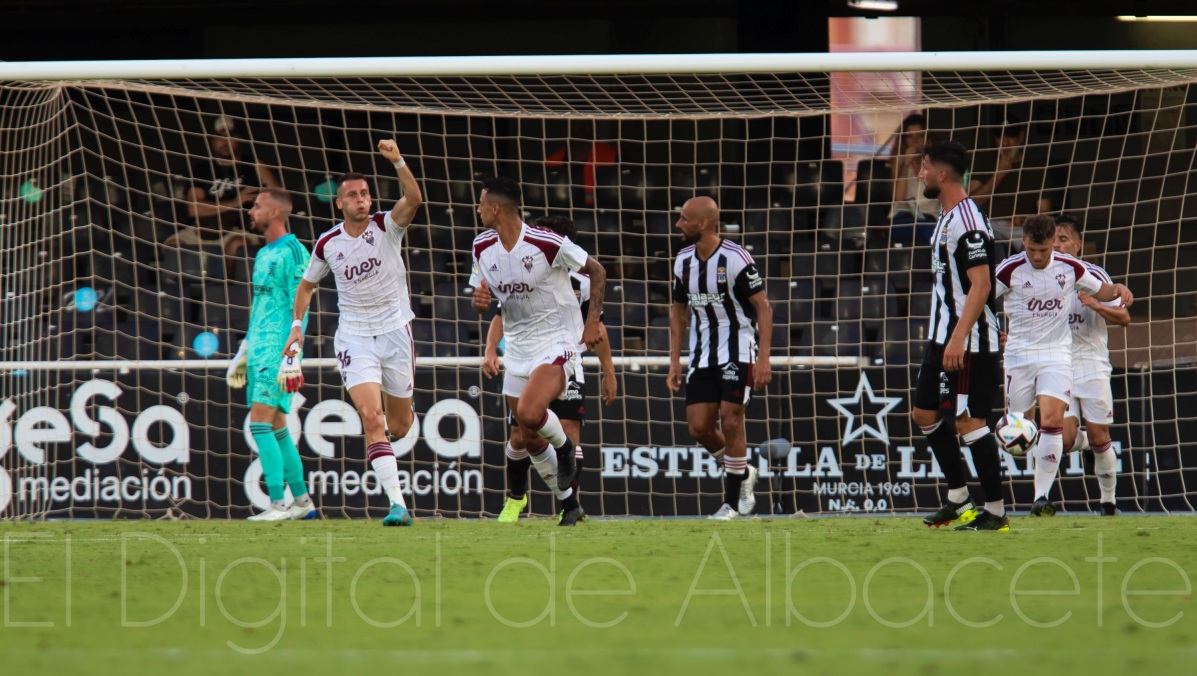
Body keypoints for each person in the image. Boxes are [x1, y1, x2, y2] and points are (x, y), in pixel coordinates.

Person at [280, 139, 423, 527]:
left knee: (400, 424)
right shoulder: (328, 243)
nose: (360, 200)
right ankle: (398, 505)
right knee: (371, 418)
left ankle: (399, 425)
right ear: (340, 203)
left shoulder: (387, 227)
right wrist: (296, 328)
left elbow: (414, 198)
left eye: (364, 194)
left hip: (395, 331)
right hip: (355, 337)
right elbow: (306, 286)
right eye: (352, 195)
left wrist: (398, 160)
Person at [469, 177, 607, 527]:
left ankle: (564, 452)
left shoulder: (546, 242)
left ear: (496, 208)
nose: (478, 209)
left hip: (556, 340)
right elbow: (484, 299)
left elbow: (597, 271)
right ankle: (570, 505)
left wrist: (591, 324)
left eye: (482, 203)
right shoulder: (481, 247)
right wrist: (480, 301)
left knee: (531, 414)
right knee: (527, 438)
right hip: (517, 346)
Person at [994, 214, 1132, 517]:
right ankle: (1060, 460)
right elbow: (978, 299)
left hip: (1065, 356)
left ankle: (1043, 499)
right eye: (1034, 249)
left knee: (1056, 424)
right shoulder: (1009, 270)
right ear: (1024, 244)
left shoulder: (1074, 269)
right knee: (1028, 431)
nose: (1041, 255)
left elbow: (1107, 295)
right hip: (1020, 356)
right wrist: (995, 333)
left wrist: (1116, 289)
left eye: (1048, 248)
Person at [910, 140, 1007, 531]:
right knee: (924, 413)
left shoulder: (968, 223)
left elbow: (981, 285)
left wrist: (958, 338)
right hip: (942, 337)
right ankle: (958, 497)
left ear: (942, 174)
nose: (920, 174)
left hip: (968, 342)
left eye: (924, 168)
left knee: (969, 422)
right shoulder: (947, 216)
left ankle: (997, 512)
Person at [666, 196, 773, 521]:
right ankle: (742, 472)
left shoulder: (736, 258)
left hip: (737, 347)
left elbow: (764, 308)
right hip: (701, 354)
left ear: (702, 224)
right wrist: (674, 360)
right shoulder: (682, 260)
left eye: (684, 219)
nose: (678, 225)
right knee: (699, 427)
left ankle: (732, 503)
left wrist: (764, 357)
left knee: (731, 419)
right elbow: (678, 310)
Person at [226, 188, 316, 521]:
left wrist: (291, 352)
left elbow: (302, 302)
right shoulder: (262, 254)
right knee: (277, 425)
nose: (251, 211)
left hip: (279, 353)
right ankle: (303, 502)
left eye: (258, 206)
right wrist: (244, 350)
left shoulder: (295, 251)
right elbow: (259, 307)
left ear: (275, 212)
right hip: (260, 351)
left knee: (259, 421)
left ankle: (277, 504)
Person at [1048, 213, 1129, 515]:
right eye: (1053, 239)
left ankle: (1108, 503)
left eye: (1064, 239)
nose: (1057, 244)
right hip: (1060, 364)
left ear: (1078, 245)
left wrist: (1095, 303)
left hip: (1093, 363)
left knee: (1099, 437)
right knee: (1065, 440)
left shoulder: (1096, 277)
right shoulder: (1045, 278)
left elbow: (1124, 318)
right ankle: (1090, 443)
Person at [169, 114, 282, 257]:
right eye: (219, 137)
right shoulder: (202, 169)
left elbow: (280, 199)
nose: (225, 141)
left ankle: (228, 281)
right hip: (199, 232)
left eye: (230, 136)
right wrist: (235, 202)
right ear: (211, 141)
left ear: (240, 138)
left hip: (238, 232)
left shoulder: (253, 164)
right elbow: (194, 208)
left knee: (237, 245)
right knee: (172, 246)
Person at [967, 115, 1066, 250]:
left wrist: (1027, 220)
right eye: (1000, 137)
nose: (1005, 143)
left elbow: (1045, 212)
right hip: (987, 225)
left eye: (1011, 137)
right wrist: (999, 174)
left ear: (1021, 136)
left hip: (1020, 229)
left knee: (1041, 245)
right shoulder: (983, 160)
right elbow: (971, 204)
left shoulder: (1035, 167)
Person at [885, 113, 940, 242]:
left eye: (920, 136)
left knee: (928, 231)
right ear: (904, 140)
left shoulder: (938, 161)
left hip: (930, 215)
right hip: (904, 215)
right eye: (910, 136)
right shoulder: (899, 161)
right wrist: (906, 163)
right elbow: (898, 198)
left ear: (928, 137)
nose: (915, 141)